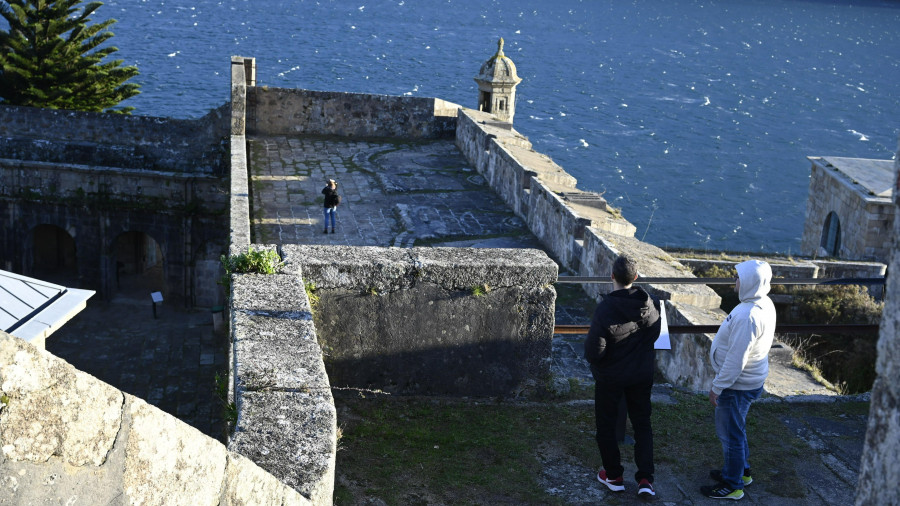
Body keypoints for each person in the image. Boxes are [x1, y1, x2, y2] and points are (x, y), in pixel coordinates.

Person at [584, 254, 661, 498]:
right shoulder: (650, 305)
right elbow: (654, 336)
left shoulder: (606, 308)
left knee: (606, 425)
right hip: (640, 375)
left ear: (612, 276)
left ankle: (614, 475)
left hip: (611, 377)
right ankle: (646, 479)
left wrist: (602, 364)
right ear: (636, 278)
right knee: (642, 424)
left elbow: (594, 351)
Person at [701, 259, 775, 501]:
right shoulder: (763, 303)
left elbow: (736, 360)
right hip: (749, 381)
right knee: (737, 429)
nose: (735, 280)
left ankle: (733, 486)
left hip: (737, 385)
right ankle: (741, 472)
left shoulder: (748, 316)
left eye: (740, 277)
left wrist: (717, 387)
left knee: (730, 435)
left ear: (751, 282)